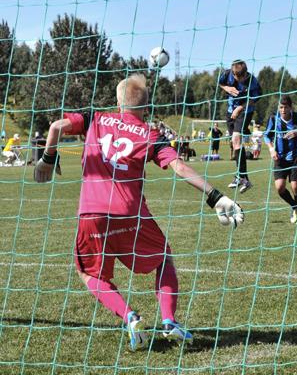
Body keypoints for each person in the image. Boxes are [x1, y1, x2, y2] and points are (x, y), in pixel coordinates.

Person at [32, 74, 243, 351]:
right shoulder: (149, 133)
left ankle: (130, 318)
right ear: (146, 107)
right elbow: (178, 166)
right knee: (163, 257)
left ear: (118, 102)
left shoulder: (94, 118)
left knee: (91, 275)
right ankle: (169, 321)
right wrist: (215, 195)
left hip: (91, 213)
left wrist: (48, 160)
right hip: (130, 214)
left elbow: (57, 126)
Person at [218, 59, 262, 193]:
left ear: (245, 74)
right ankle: (243, 178)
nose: (237, 80)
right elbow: (220, 83)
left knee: (236, 139)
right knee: (235, 144)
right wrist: (226, 88)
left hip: (245, 111)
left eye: (240, 78)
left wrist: (240, 108)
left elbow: (255, 99)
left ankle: (240, 177)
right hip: (230, 111)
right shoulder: (227, 74)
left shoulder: (252, 82)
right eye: (235, 77)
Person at [263, 96, 297, 224]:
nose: (283, 110)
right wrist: (271, 149)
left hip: (296, 156)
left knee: (295, 186)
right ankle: (294, 206)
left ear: (291, 107)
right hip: (280, 158)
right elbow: (266, 135)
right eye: (281, 107)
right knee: (280, 188)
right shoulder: (273, 119)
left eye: (285, 107)